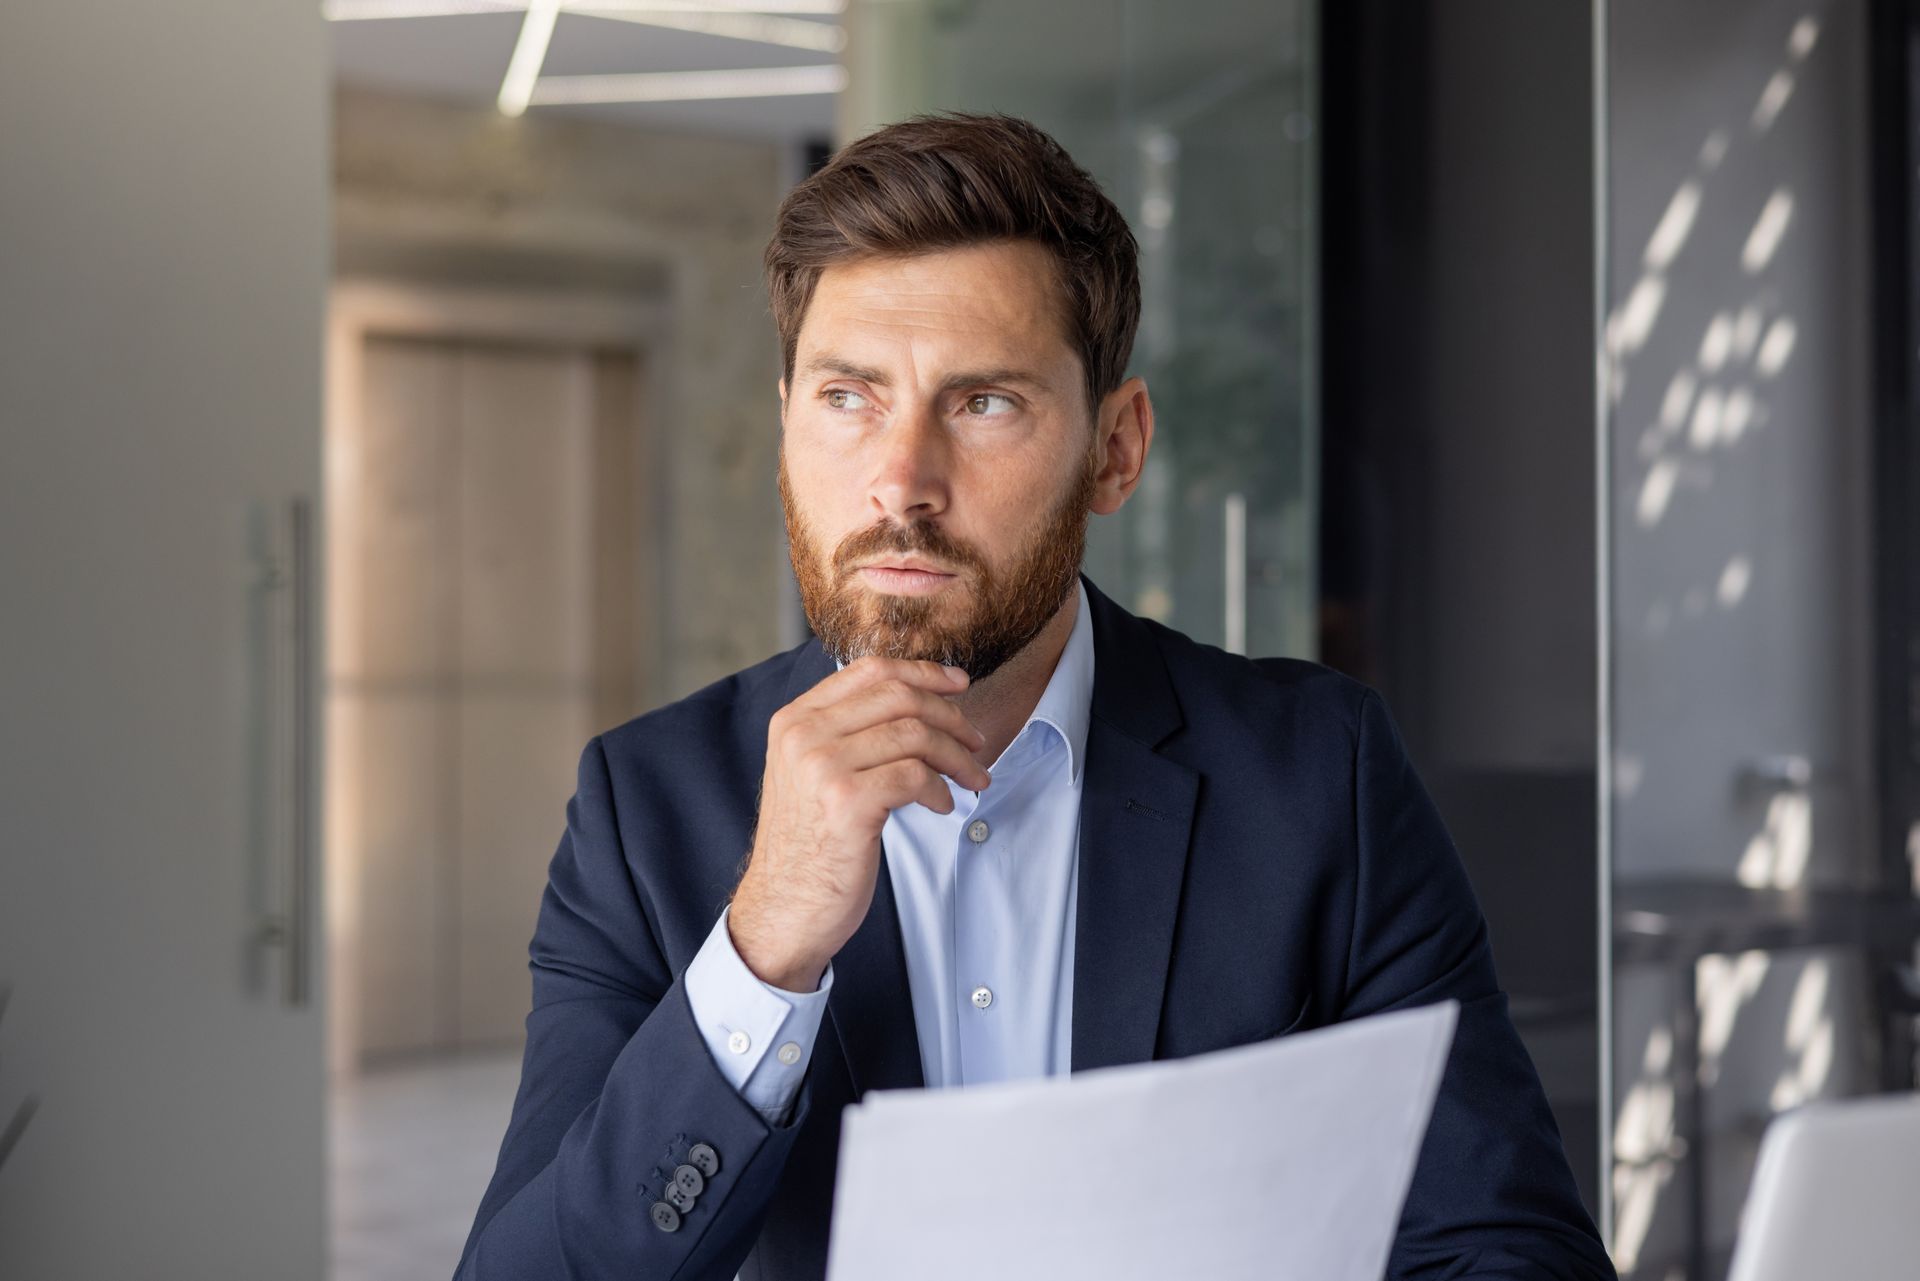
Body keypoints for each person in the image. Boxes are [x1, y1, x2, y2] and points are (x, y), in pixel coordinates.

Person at [455, 111, 1615, 1281]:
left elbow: (1513, 1250)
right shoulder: (644, 810)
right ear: (784, 427)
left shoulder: (1319, 777)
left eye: (983, 403)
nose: (900, 481)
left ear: (1116, 450)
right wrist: (763, 952)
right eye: (847, 398)